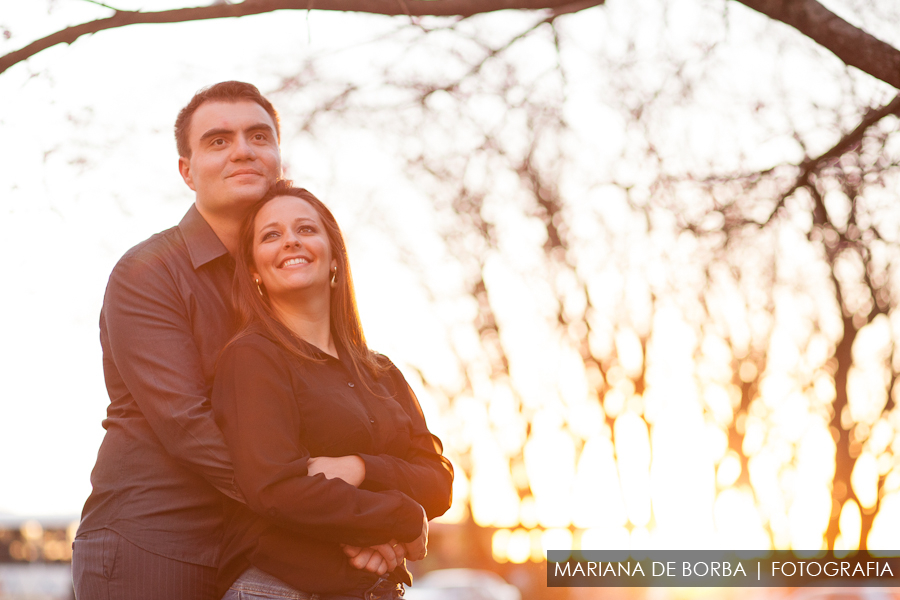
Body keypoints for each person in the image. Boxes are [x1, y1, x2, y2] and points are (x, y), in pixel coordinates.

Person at [72, 81, 283, 599]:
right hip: (151, 545)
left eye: (259, 136)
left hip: (254, 548)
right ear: (187, 171)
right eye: (218, 140)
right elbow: (188, 425)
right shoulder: (148, 271)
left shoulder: (284, 283)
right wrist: (322, 509)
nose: (242, 150)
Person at [212, 181, 454, 599]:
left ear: (334, 258)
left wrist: (361, 468)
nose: (290, 241)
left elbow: (438, 481)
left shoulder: (381, 372)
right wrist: (399, 515)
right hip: (281, 589)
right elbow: (276, 490)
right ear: (254, 268)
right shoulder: (252, 358)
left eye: (305, 229)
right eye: (271, 235)